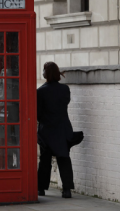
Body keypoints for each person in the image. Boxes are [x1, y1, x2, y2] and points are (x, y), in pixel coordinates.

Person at [37, 62, 75, 198]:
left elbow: (38, 113)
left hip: (46, 129)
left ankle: (41, 188)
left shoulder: (40, 91)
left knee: (45, 160)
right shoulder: (65, 89)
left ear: (46, 74)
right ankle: (67, 190)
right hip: (63, 128)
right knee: (64, 158)